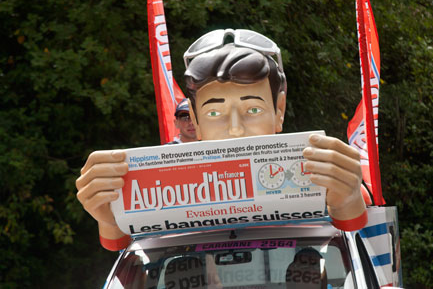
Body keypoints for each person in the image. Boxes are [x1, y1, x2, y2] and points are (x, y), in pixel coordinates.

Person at [75, 29, 367, 251]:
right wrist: (109, 216)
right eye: (214, 112)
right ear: (195, 120)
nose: (236, 129)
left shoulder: (325, 178)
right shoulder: (150, 190)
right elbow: (122, 249)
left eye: (253, 109)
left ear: (279, 111)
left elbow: (363, 248)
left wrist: (350, 201)